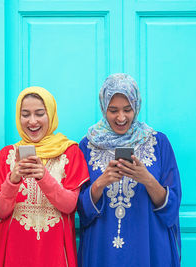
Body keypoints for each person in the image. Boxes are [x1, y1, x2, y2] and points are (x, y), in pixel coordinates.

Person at [77, 73, 181, 267]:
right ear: (103, 108)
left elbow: (172, 208)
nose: (121, 117)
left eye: (127, 109)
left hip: (149, 247)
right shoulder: (87, 145)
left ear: (136, 106)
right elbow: (81, 210)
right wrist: (100, 183)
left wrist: (147, 179)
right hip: (102, 249)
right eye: (113, 110)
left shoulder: (159, 143)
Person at [0, 86, 89, 267]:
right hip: (14, 253)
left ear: (50, 114)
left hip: (55, 254)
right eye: (25, 114)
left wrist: (44, 178)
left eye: (39, 113)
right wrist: (13, 180)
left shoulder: (70, 152)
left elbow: (69, 205)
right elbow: (0, 211)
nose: (32, 121)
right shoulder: (6, 155)